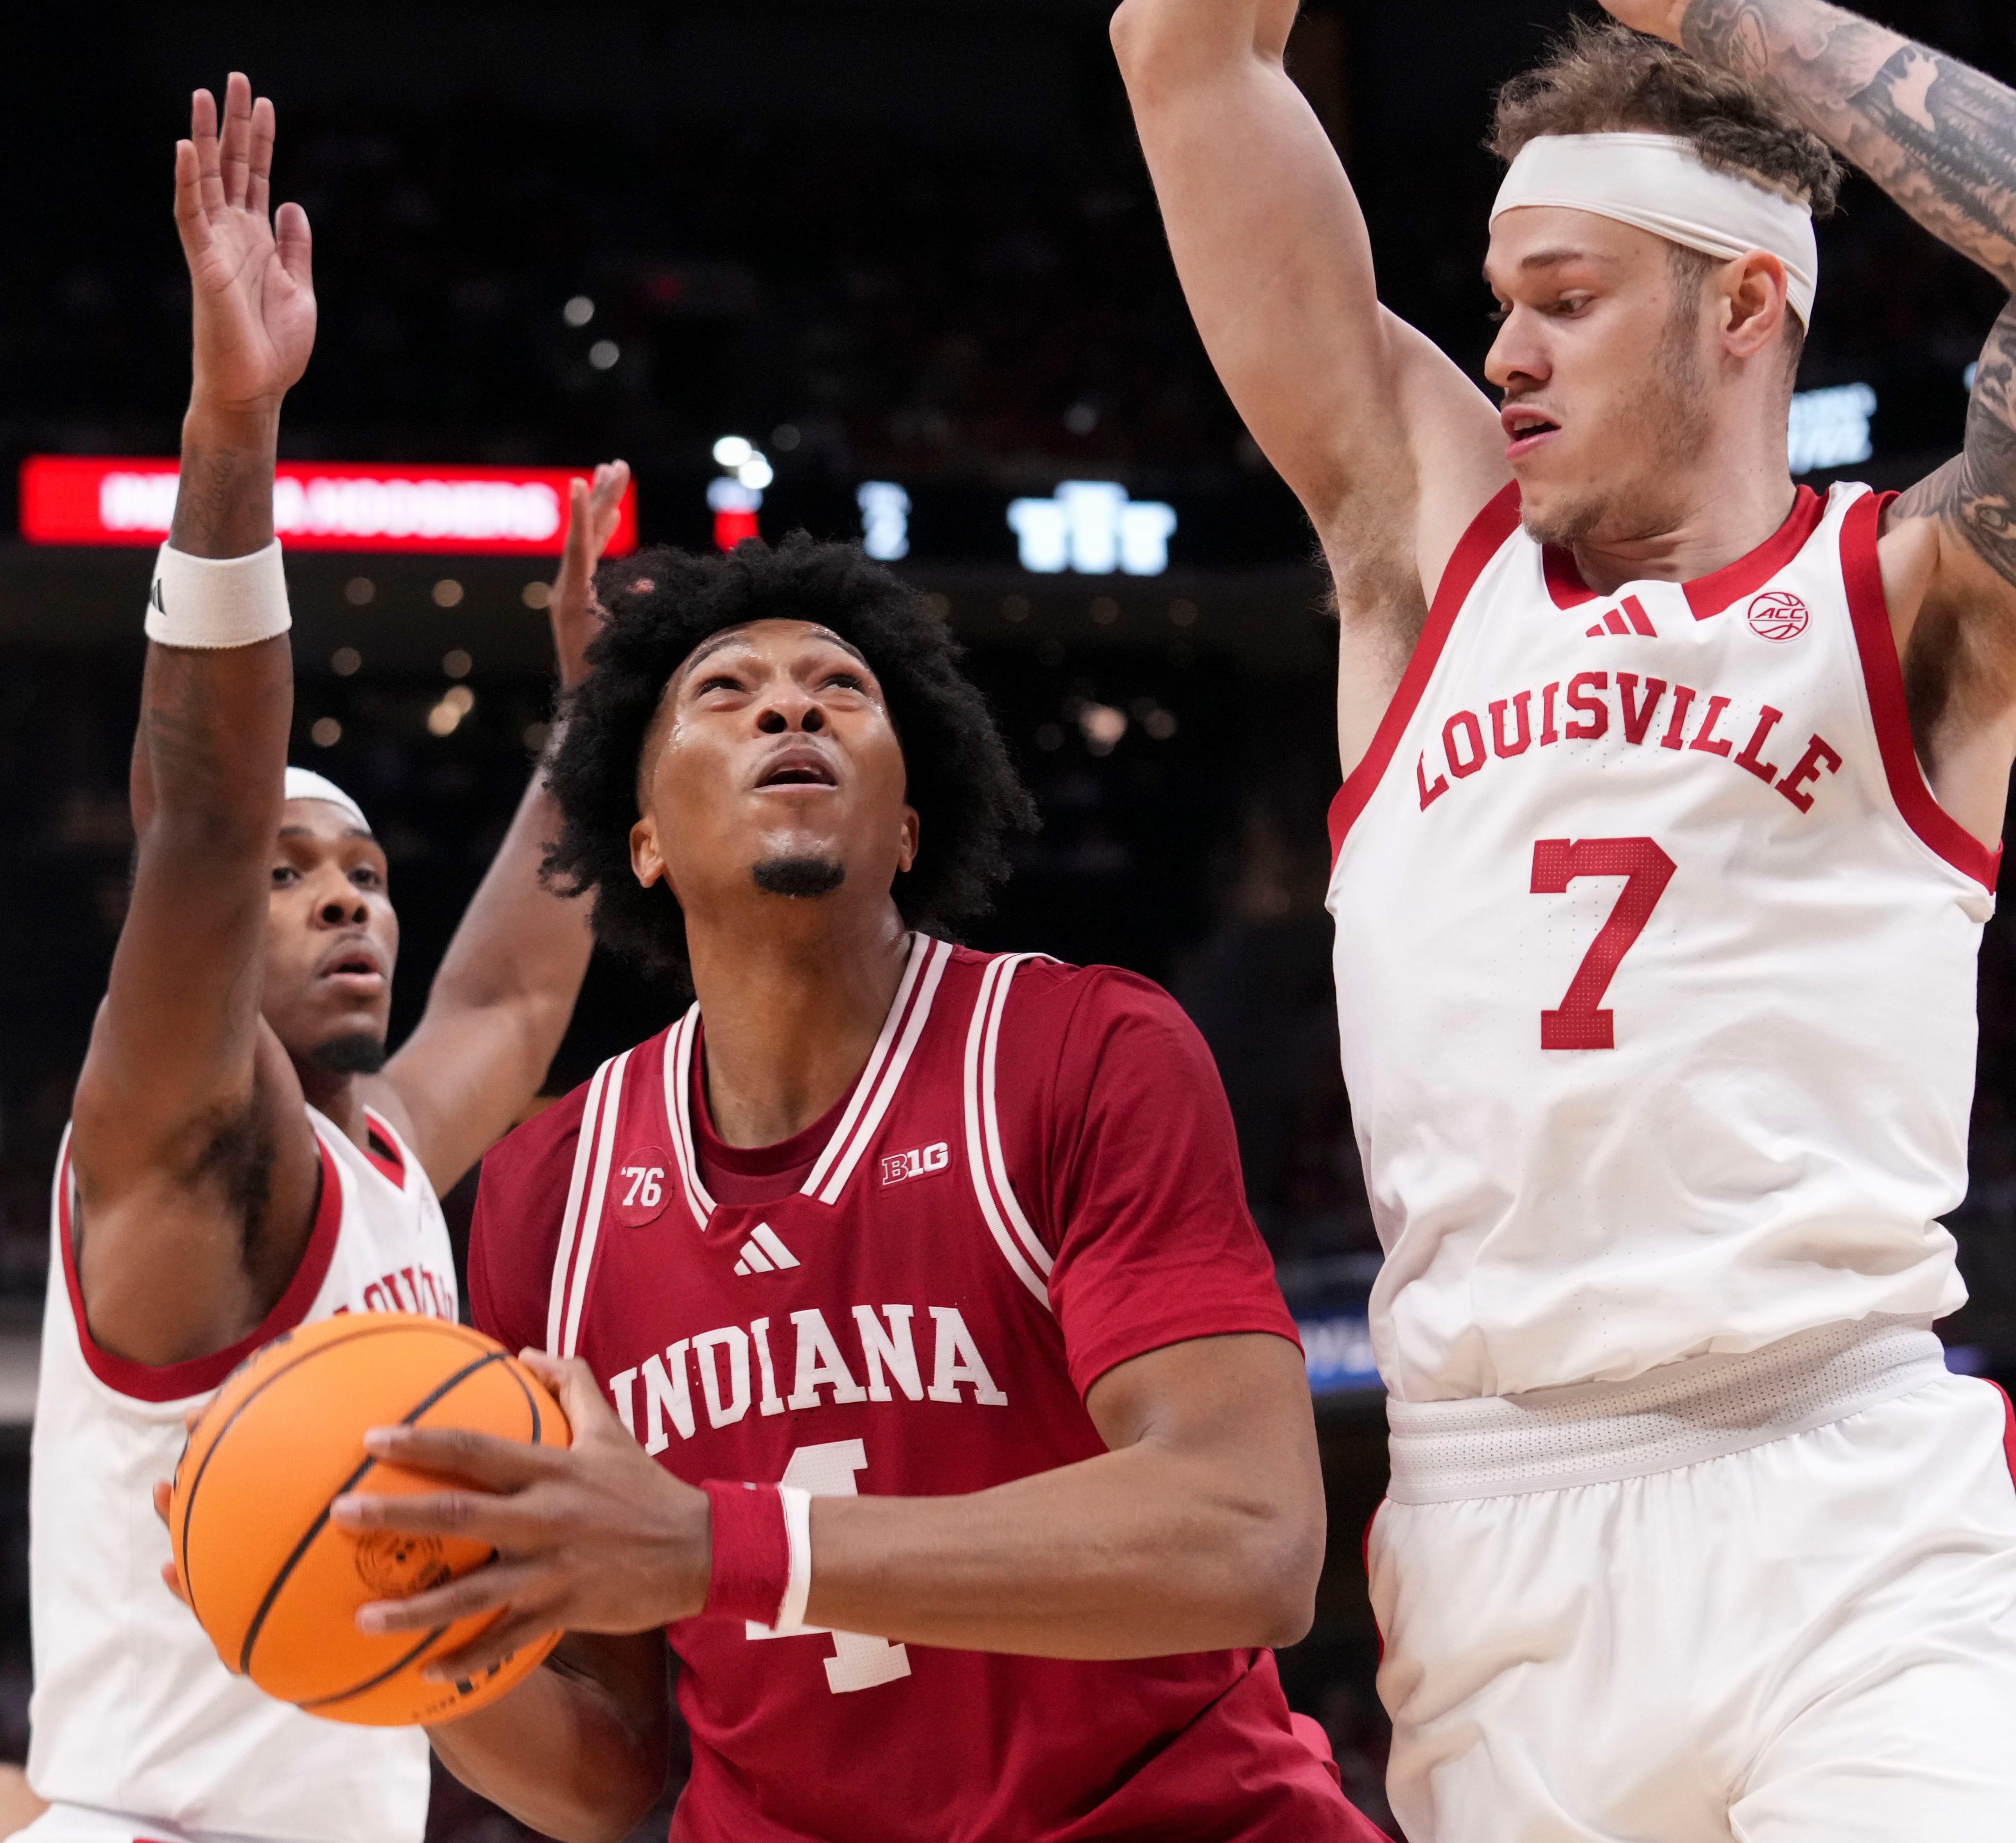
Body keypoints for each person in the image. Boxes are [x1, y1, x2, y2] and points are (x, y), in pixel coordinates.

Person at [1111, 0, 2016, 1837]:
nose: (1503, 349)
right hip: (1491, 1530)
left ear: (1745, 305)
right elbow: (1185, 54)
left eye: (1567, 297)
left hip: (1843, 1503)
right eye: (1502, 297)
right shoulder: (1426, 546)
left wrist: (1703, 17)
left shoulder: (1909, 604)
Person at [325, 535, 1384, 1842]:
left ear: (907, 826)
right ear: (641, 839)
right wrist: (390, 1635)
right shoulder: (552, 1190)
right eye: (725, 691)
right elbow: (603, 1770)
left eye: (842, 686)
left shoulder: (1077, 1048)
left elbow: (1250, 1536)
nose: (790, 703)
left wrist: (721, 1543)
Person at [28, 74, 626, 1843]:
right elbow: (201, 818)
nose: (349, 901)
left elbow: (512, 996)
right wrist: (234, 427)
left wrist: (589, 730)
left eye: (367, 871)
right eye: (298, 879)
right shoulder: (167, 1153)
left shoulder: (376, 1157)